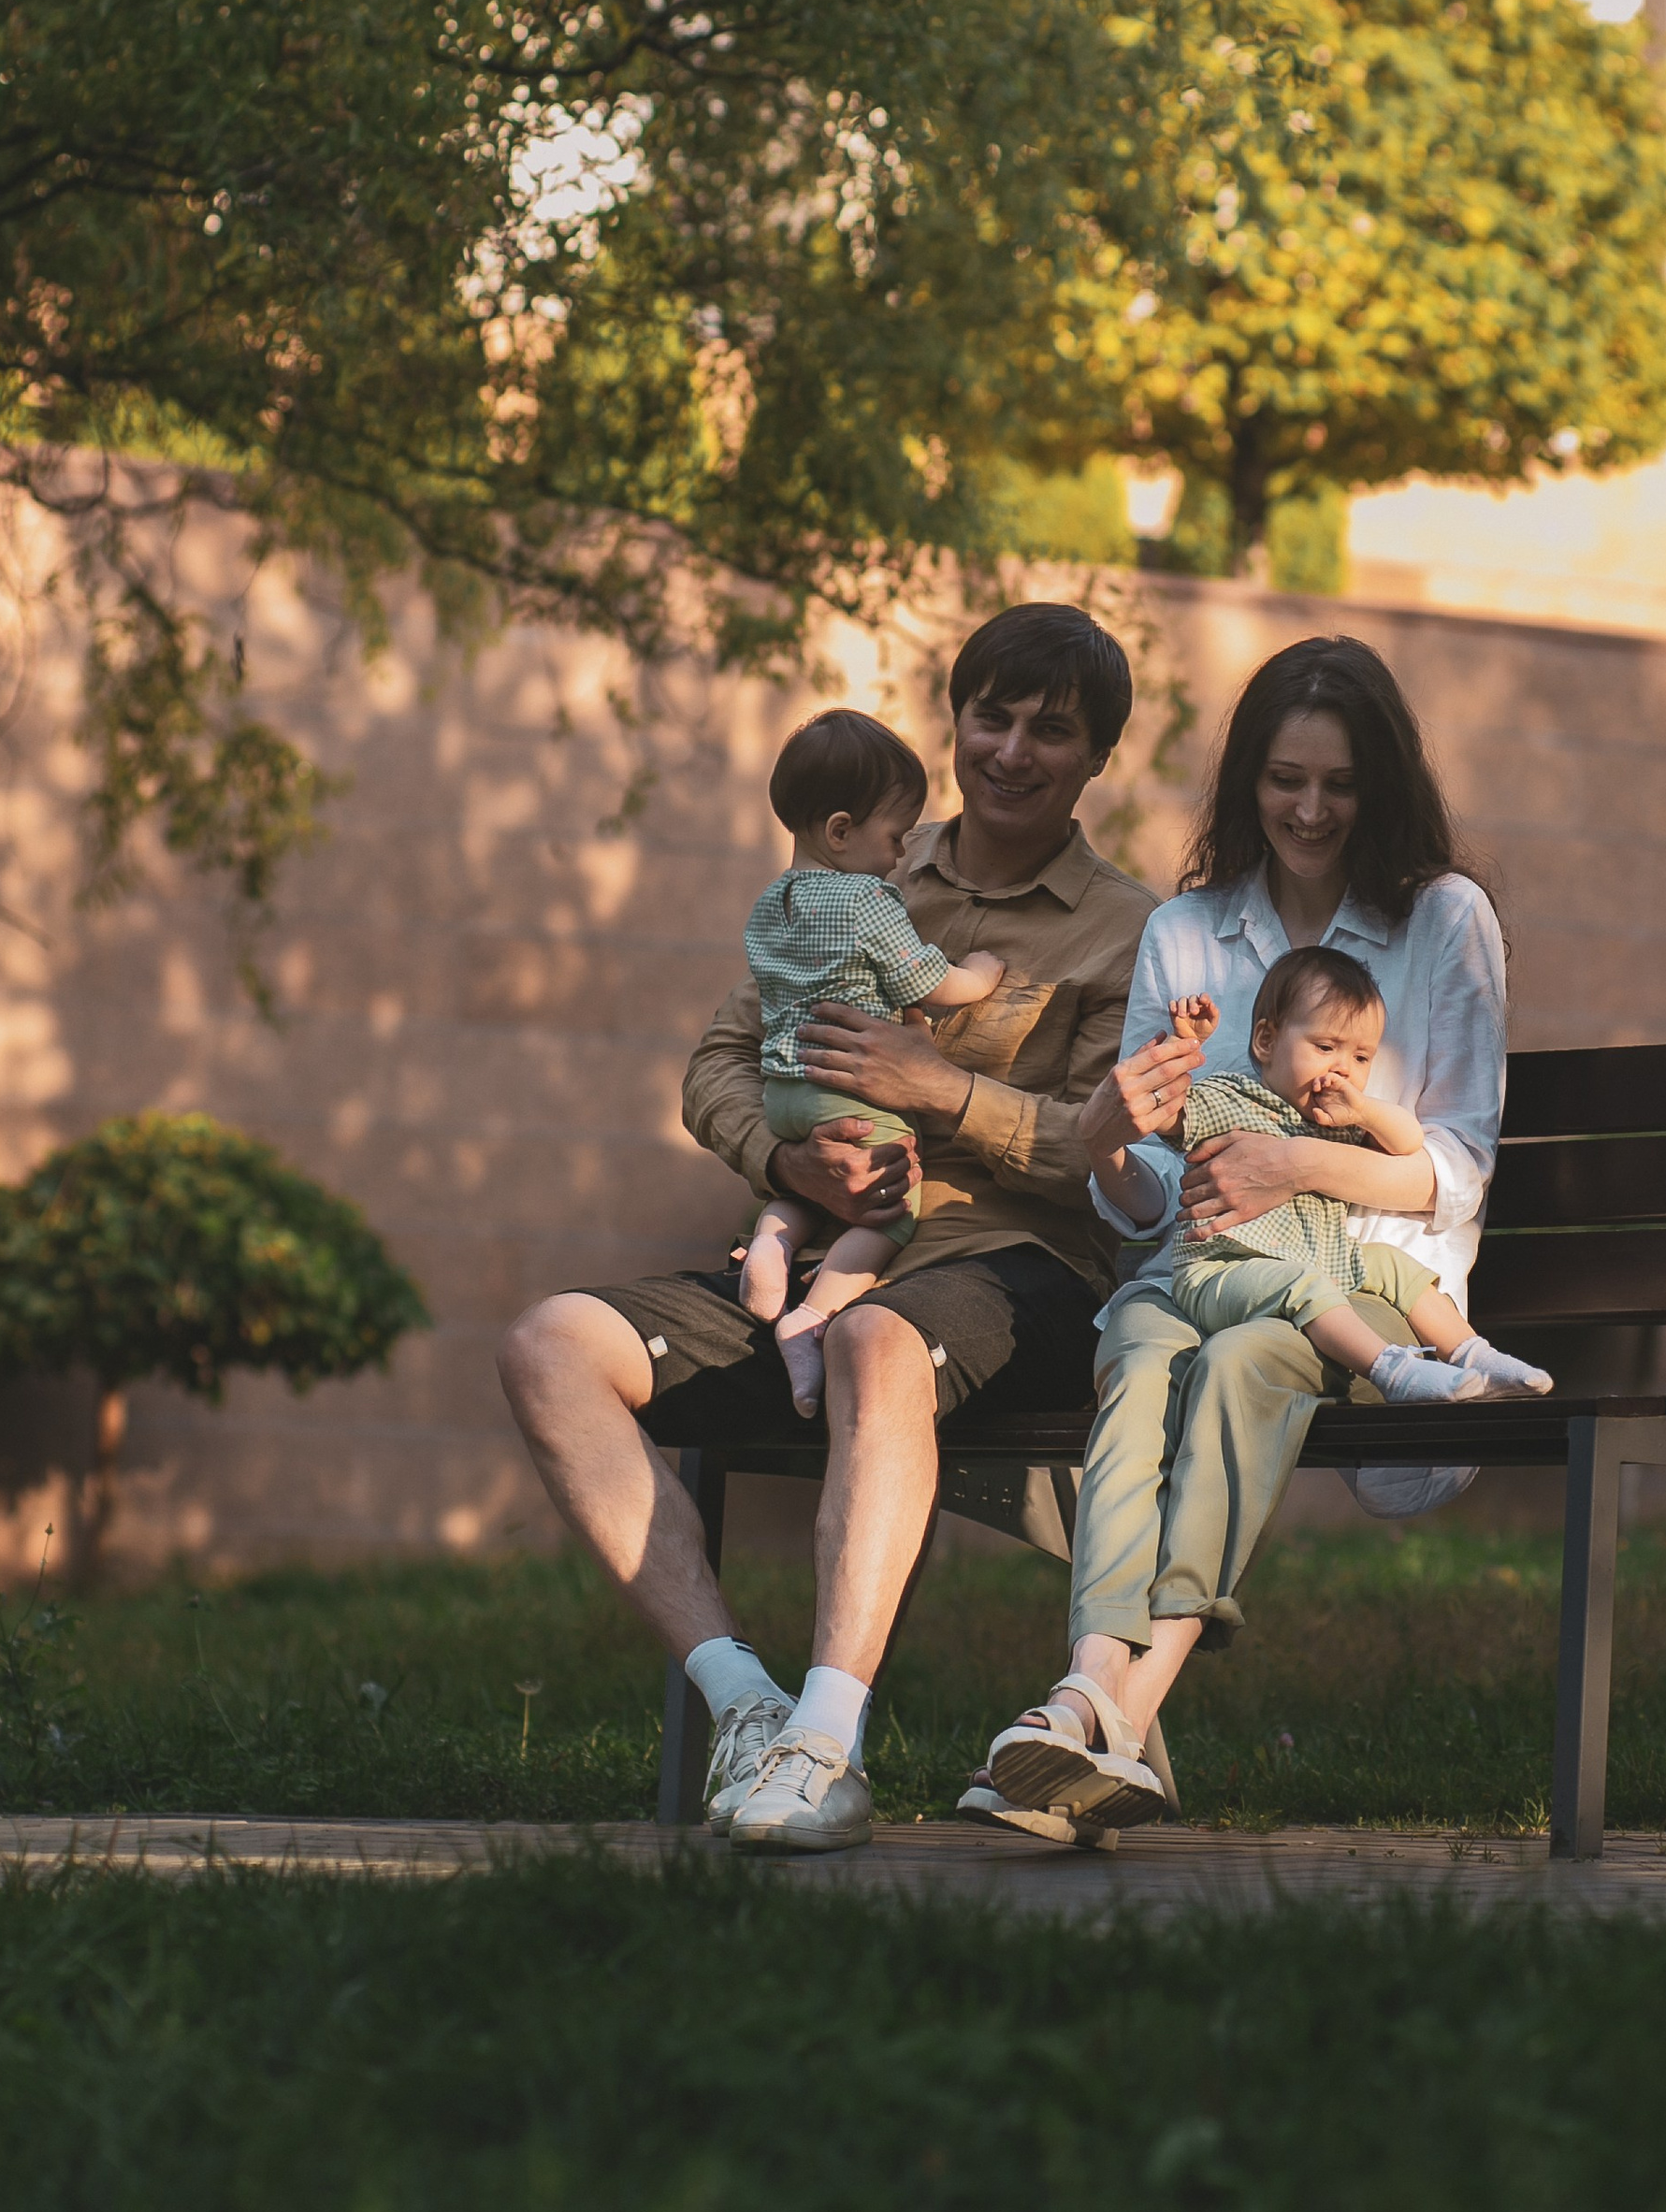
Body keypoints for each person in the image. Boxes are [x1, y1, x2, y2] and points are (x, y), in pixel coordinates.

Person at [497, 602, 1192, 1855]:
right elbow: (719, 1055)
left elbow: (1116, 1163)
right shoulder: (853, 870)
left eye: (1052, 731)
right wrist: (782, 1158)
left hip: (1014, 1271)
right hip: (832, 1258)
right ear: (957, 720)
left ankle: (830, 1747)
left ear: (1098, 761)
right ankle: (750, 1709)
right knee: (550, 1346)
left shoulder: (1131, 931)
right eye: (993, 717)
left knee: (878, 1348)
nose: (1013, 751)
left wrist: (945, 1094)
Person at [972, 633, 1511, 1836]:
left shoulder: (1441, 921)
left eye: (1337, 783)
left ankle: (1096, 1707)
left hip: (1365, 1283)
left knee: (1243, 1364)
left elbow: (1461, 1170)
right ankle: (1092, 1721)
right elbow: (1151, 1186)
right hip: (1201, 1273)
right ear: (1246, 783)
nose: (1309, 810)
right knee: (1137, 1359)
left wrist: (1294, 1163)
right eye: (1283, 780)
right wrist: (1112, 1150)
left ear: (1381, 787)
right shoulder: (1185, 933)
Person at [736, 708, 1006, 1413]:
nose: (898, 855)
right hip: (851, 1094)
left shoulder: (772, 905)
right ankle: (812, 1315)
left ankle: (769, 1248)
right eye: (893, 837)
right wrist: (979, 973)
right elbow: (927, 983)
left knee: (799, 1189)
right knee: (888, 1212)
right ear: (840, 832)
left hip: (785, 1092)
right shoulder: (868, 899)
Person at [1164, 943, 1549, 1400]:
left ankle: (1474, 1355)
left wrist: (1364, 1112)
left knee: (1393, 1264)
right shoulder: (1227, 1100)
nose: (1342, 1068)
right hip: (1224, 1269)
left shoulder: (1335, 1123)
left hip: (1317, 1260)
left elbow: (1408, 1143)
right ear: (1266, 1041)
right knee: (1304, 1284)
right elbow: (1165, 1112)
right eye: (1325, 1047)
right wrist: (1184, 1045)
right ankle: (1394, 1373)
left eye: (1362, 1058)